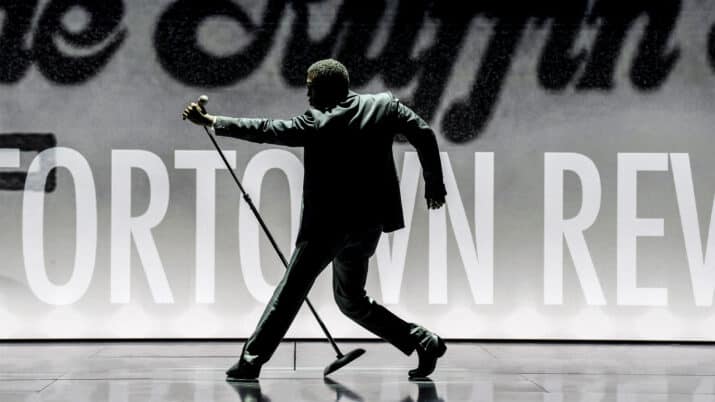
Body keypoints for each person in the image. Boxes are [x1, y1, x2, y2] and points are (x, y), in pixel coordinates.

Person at [182, 59, 447, 380]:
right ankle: (422, 340)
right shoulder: (384, 106)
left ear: (327, 90)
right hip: (369, 224)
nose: (307, 96)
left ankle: (250, 362)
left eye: (311, 89)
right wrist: (434, 184)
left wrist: (212, 121)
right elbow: (424, 132)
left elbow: (266, 129)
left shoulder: (317, 123)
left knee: (290, 292)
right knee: (351, 300)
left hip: (328, 228)